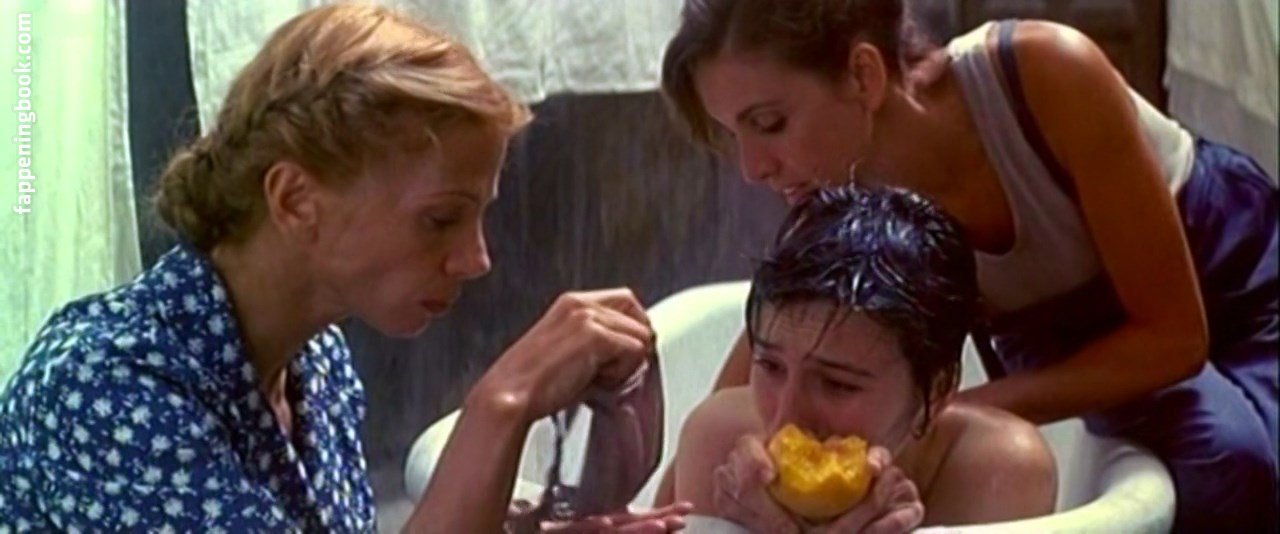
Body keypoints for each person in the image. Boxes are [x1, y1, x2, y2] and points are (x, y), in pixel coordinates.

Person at [0, 4, 688, 532]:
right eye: (441, 218)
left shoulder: (316, 361)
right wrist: (501, 405)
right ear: (296, 201)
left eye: (480, 217)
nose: (476, 260)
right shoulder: (103, 388)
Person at [659, 0, 1279, 531]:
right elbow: (741, 393)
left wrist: (928, 415)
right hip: (1067, 338)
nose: (752, 167)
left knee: (1238, 462)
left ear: (863, 74)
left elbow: (1175, 337)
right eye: (732, 134)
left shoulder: (1043, 71)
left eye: (769, 123)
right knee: (1222, 464)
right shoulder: (842, 209)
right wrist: (677, 510)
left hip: (1236, 272)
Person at [655, 186, 1056, 532]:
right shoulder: (720, 442)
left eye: (838, 385)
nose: (787, 417)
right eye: (771, 366)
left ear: (935, 391)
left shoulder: (999, 469)